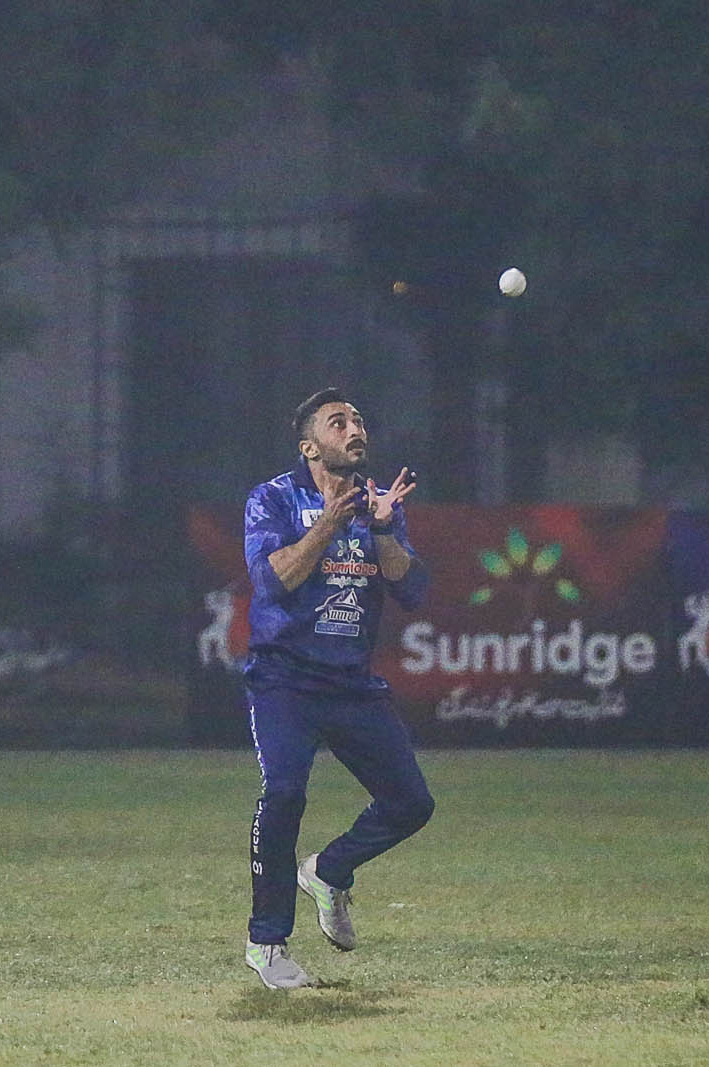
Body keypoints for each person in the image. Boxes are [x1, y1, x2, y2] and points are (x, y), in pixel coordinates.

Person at [240, 387, 435, 989]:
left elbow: (412, 591)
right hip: (285, 679)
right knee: (284, 795)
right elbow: (273, 581)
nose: (355, 430)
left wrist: (383, 529)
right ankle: (267, 944)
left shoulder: (378, 505)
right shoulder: (272, 499)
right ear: (310, 447)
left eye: (358, 420)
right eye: (338, 422)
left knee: (412, 804)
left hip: (351, 683)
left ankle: (328, 871)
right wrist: (330, 522)